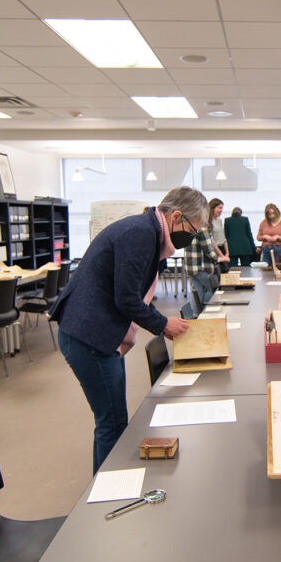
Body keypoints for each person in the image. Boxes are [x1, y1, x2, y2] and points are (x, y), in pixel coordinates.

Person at [50, 186, 207, 472]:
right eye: (192, 229)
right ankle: (106, 493)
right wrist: (163, 324)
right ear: (175, 216)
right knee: (111, 422)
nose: (191, 236)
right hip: (89, 337)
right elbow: (126, 298)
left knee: (114, 419)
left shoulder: (149, 232)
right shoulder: (140, 234)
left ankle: (108, 483)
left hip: (96, 334)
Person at [256, 202, 281, 267]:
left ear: (277, 212)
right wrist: (265, 236)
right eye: (269, 214)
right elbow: (258, 237)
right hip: (266, 250)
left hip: (280, 250)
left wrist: (278, 237)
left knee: (280, 269)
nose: (271, 215)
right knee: (265, 271)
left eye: (273, 213)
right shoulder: (263, 223)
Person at [208, 198, 231, 273]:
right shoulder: (208, 221)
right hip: (215, 250)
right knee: (218, 273)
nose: (221, 210)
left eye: (222, 208)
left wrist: (227, 253)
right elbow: (212, 241)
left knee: (226, 271)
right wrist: (221, 255)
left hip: (222, 249)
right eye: (219, 208)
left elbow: (224, 238)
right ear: (213, 208)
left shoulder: (219, 220)